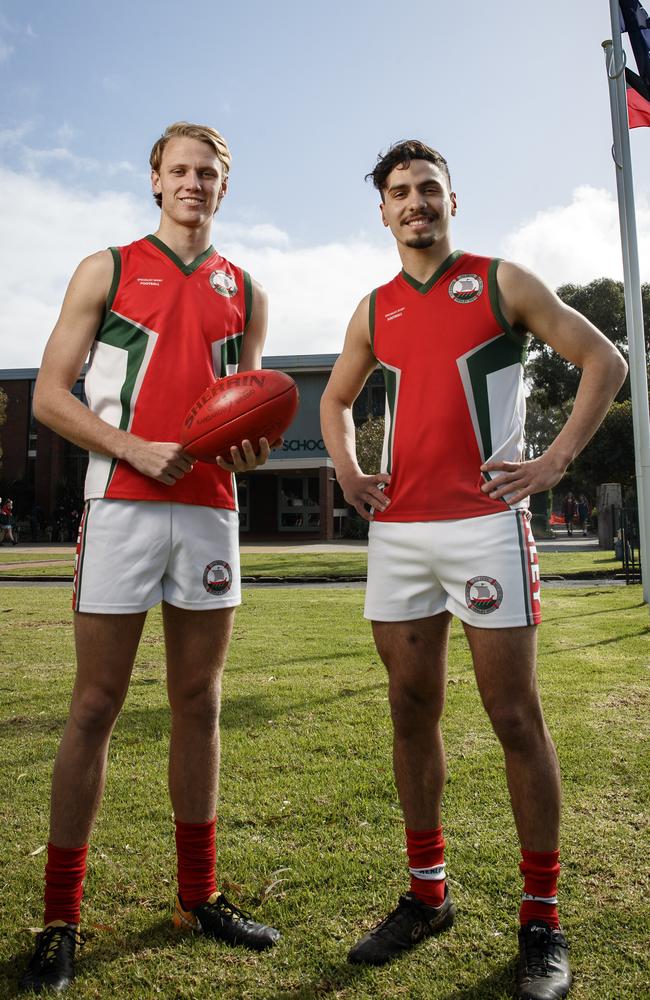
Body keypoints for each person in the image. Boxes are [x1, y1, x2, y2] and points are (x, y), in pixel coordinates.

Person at [320, 140, 627, 1000]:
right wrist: (347, 469)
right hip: (401, 534)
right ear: (382, 211)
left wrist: (556, 460)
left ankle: (542, 918)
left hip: (489, 526)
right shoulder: (373, 309)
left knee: (514, 717)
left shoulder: (502, 282)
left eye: (428, 190)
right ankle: (427, 895)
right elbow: (334, 398)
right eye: (399, 193)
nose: (415, 203)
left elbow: (605, 358)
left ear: (453, 199)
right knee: (411, 709)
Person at [20, 121, 281, 995]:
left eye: (209, 173)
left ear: (224, 187)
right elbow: (50, 400)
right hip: (124, 502)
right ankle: (61, 916)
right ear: (155, 181)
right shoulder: (107, 266)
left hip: (210, 508)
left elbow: (250, 408)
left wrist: (249, 449)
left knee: (199, 701)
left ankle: (197, 894)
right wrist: (132, 446)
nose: (194, 184)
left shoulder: (246, 286)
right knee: (95, 703)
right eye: (180, 171)